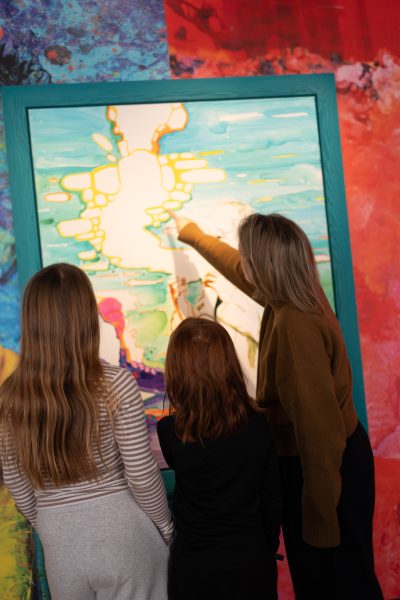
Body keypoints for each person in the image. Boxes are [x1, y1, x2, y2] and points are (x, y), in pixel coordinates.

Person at [167, 210, 383, 600]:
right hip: (327, 464)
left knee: (336, 582)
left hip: (324, 473)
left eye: (248, 256)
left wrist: (320, 519)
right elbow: (236, 266)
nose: (243, 263)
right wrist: (193, 234)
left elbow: (320, 436)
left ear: (264, 268)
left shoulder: (296, 326)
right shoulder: (296, 296)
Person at [0, 263, 173, 600]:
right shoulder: (116, 384)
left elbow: (17, 484)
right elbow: (140, 474)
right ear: (84, 318)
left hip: (59, 544)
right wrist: (165, 526)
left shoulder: (10, 397)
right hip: (125, 535)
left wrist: (53, 523)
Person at [157, 316, 282, 600]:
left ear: (177, 371)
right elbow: (273, 500)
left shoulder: (170, 432)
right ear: (229, 365)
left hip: (194, 566)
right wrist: (265, 547)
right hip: (250, 558)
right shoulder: (260, 427)